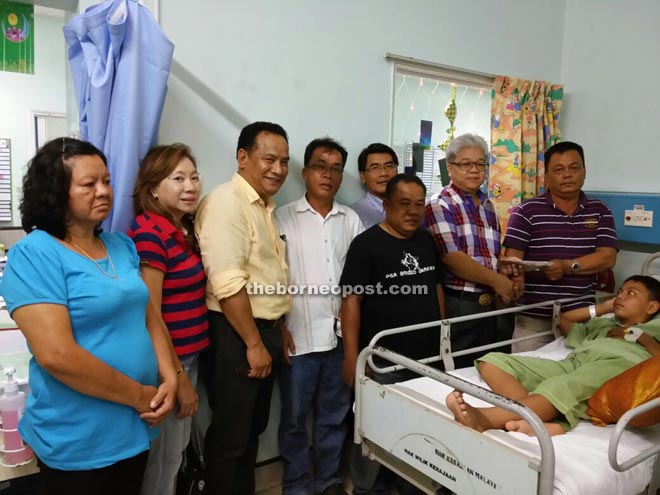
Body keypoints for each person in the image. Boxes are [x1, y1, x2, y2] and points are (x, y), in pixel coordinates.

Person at [0, 138, 176, 495]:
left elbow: (149, 317)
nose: (103, 191)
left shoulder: (120, 245)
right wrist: (140, 396)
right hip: (79, 437)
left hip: (134, 425)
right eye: (88, 184)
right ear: (55, 191)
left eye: (107, 181)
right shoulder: (35, 255)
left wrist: (170, 378)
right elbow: (57, 356)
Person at [195, 121, 291, 494]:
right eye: (269, 159)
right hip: (235, 332)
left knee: (252, 429)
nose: (278, 169)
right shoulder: (226, 203)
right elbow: (228, 282)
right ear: (242, 157)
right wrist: (253, 343)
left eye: (283, 161)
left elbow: (266, 277)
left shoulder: (263, 207)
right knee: (231, 436)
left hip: (259, 330)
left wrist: (276, 330)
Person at [446, 275, 660, 436]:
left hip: (618, 367)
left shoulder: (655, 326)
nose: (621, 295)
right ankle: (542, 418)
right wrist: (603, 307)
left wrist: (637, 335)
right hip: (576, 361)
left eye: (631, 293)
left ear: (652, 306)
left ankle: (486, 419)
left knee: (561, 386)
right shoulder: (605, 325)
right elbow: (565, 320)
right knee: (493, 362)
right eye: (620, 291)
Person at [340, 173, 446, 495]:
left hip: (426, 357)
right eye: (404, 204)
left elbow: (436, 289)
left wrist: (444, 339)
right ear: (386, 205)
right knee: (372, 429)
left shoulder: (426, 241)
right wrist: (351, 358)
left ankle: (411, 485)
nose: (413, 212)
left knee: (418, 427)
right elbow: (351, 301)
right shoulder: (366, 246)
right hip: (381, 360)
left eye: (418, 205)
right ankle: (365, 489)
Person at [275, 137, 363, 495]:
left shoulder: (351, 220)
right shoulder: (281, 217)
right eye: (319, 167)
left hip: (340, 338)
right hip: (297, 335)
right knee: (294, 418)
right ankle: (297, 483)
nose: (327, 175)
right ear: (305, 172)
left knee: (333, 415)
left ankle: (327, 480)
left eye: (335, 169)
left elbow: (356, 284)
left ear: (341, 177)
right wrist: (279, 328)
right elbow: (273, 277)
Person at [128, 143, 210, 495]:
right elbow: (151, 314)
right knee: (165, 461)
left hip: (188, 358)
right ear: (152, 188)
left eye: (193, 177)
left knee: (177, 454)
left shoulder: (181, 229)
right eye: (178, 178)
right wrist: (178, 379)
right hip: (169, 364)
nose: (190, 186)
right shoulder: (150, 232)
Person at [503, 141, 618, 352]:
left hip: (580, 319)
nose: (567, 175)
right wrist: (515, 275)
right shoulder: (526, 211)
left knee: (574, 377)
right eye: (559, 169)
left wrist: (567, 266)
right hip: (534, 319)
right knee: (524, 376)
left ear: (584, 171)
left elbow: (607, 257)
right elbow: (513, 259)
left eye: (574, 168)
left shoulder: (599, 211)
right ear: (546, 176)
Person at [424, 134, 521, 368]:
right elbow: (452, 257)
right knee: (460, 373)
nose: (474, 170)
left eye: (480, 164)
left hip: (495, 304)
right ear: (450, 167)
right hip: (461, 304)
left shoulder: (488, 206)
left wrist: (508, 268)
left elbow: (490, 256)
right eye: (466, 164)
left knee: (497, 370)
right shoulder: (440, 203)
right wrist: (498, 281)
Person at [351, 143, 399, 228]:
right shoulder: (354, 214)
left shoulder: (406, 208)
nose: (383, 173)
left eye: (389, 166)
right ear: (362, 176)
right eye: (374, 168)